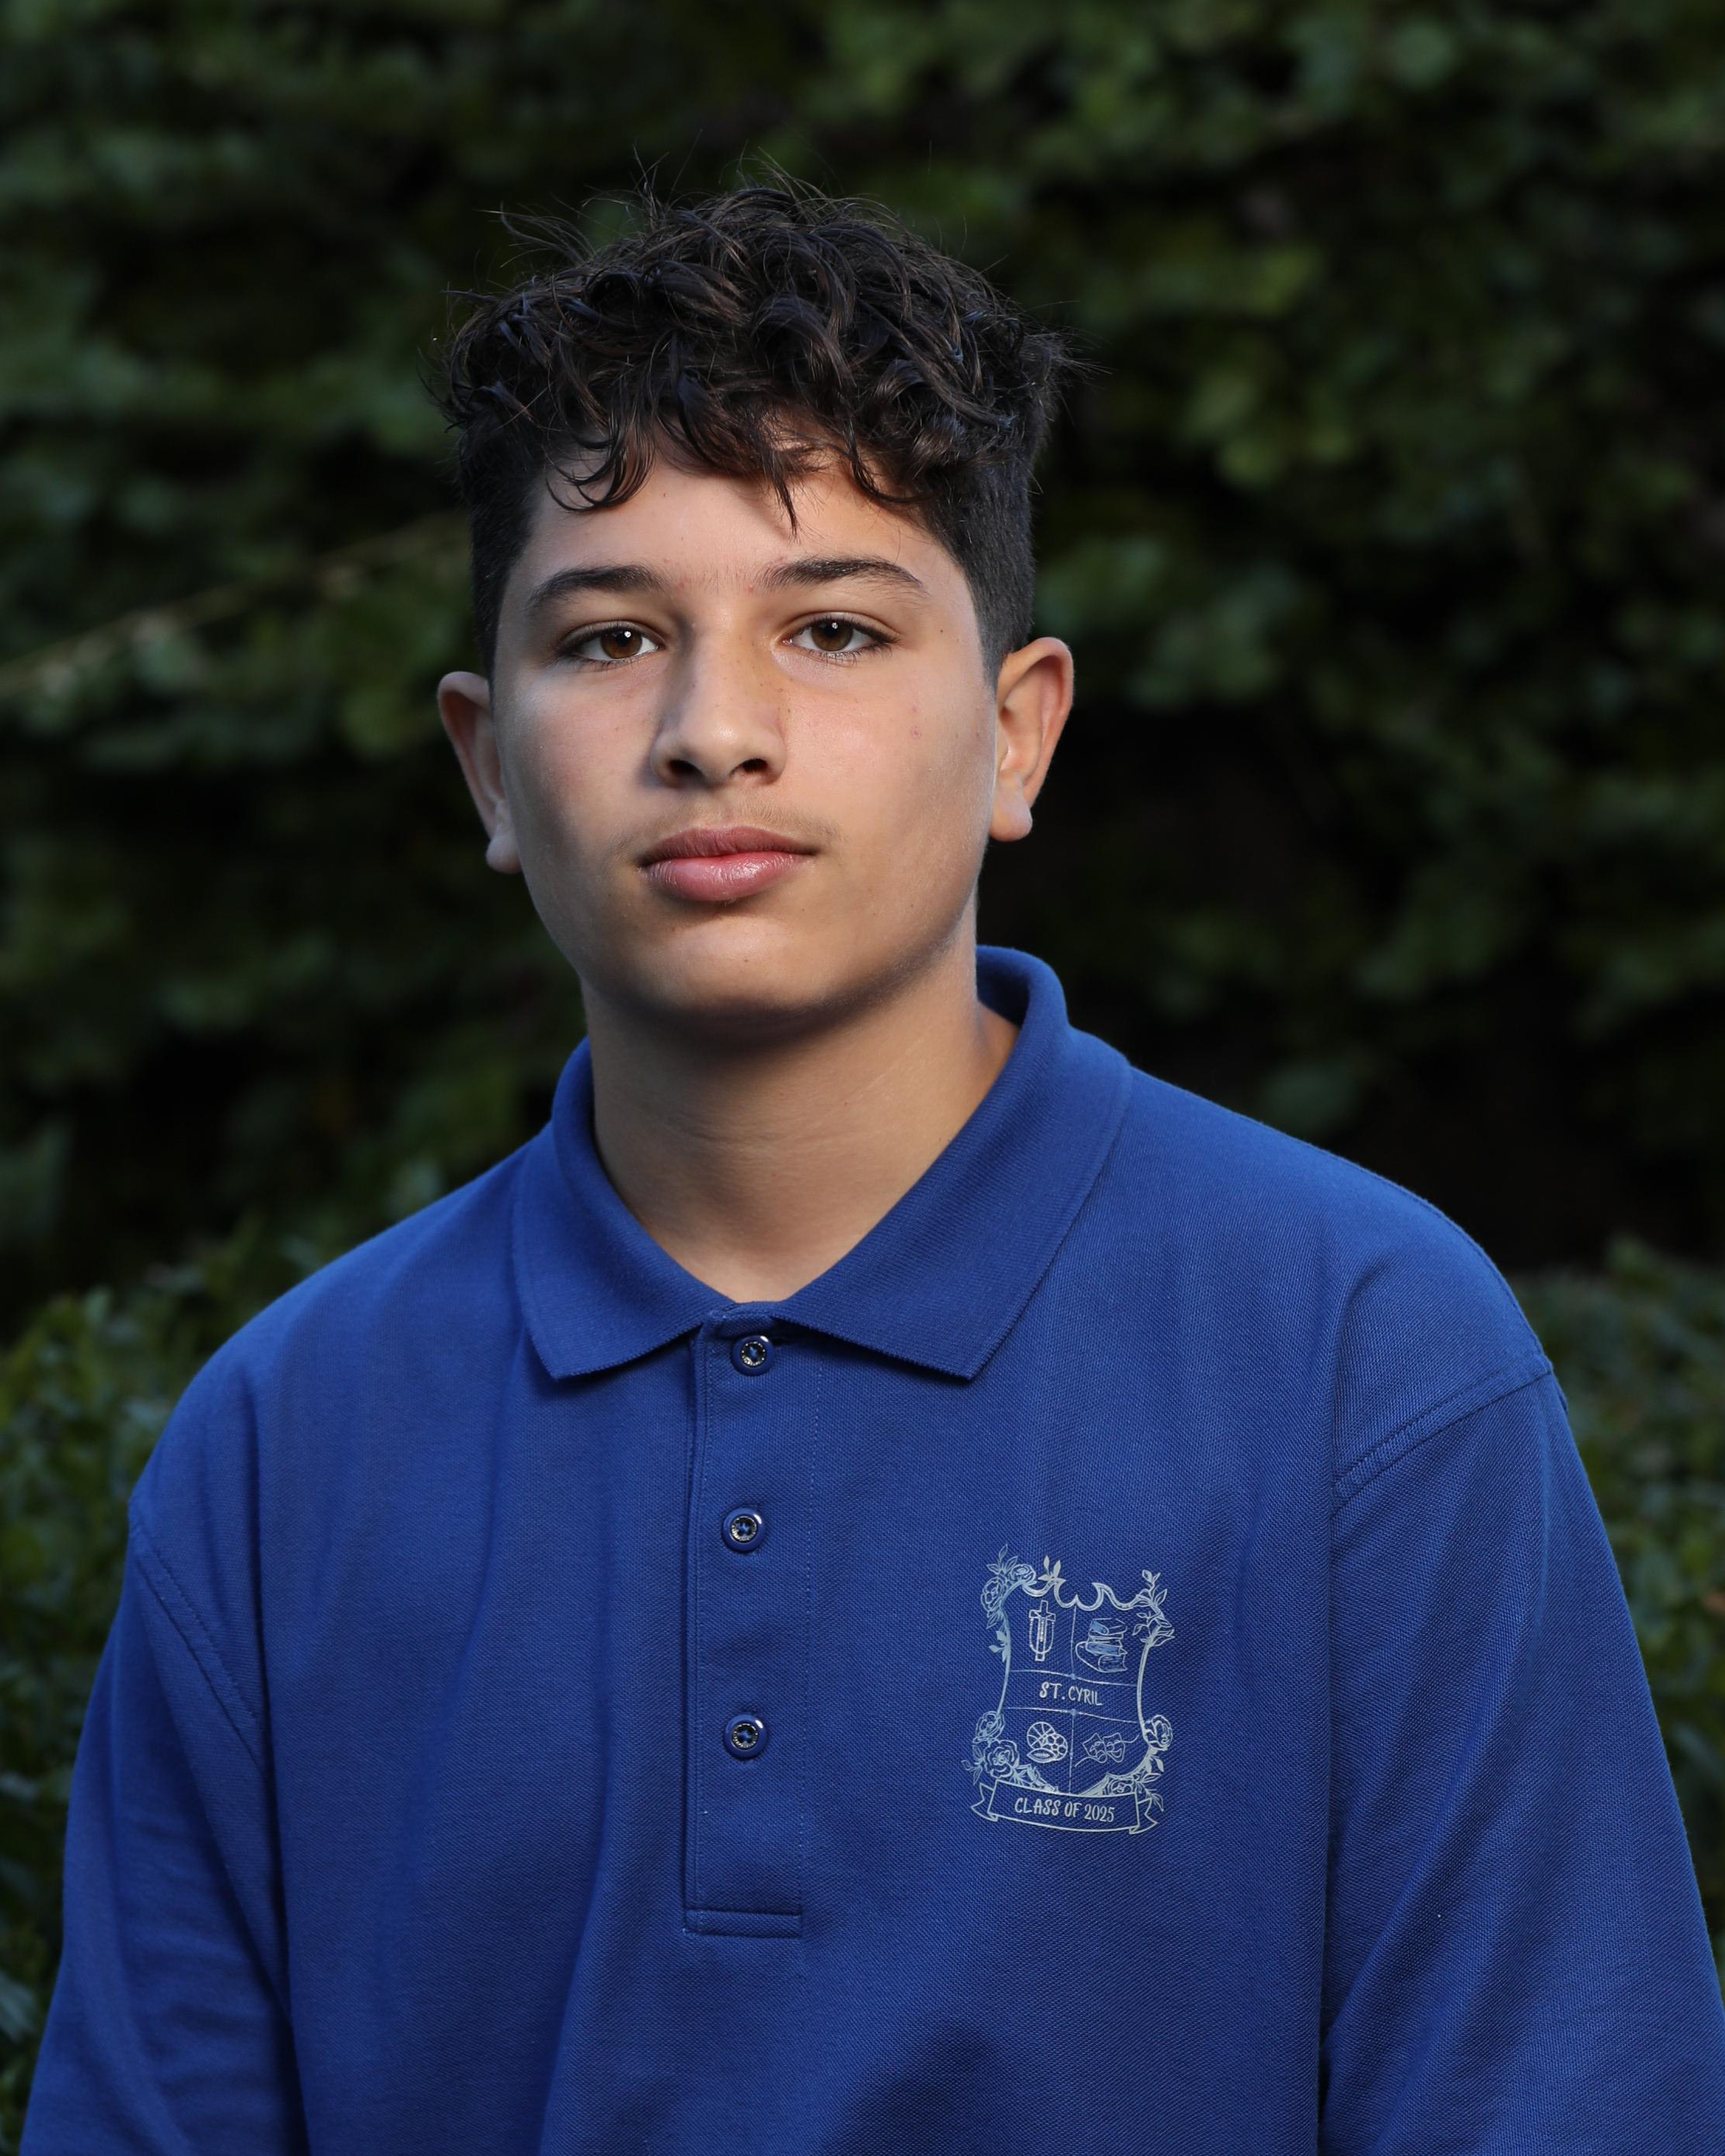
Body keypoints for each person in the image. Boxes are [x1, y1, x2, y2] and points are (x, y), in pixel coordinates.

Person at [22, 181, 1725, 2154]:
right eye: (610, 635)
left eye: (831, 627)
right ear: (488, 764)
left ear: (1017, 733)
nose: (713, 730)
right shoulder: (280, 1443)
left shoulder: (1363, 1354)